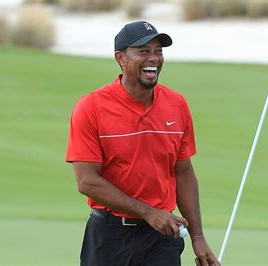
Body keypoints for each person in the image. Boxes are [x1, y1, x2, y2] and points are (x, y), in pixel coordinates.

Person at [66, 21, 220, 266]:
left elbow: (183, 173)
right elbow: (87, 181)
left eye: (158, 51)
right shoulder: (91, 107)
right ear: (121, 58)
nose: (154, 58)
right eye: (143, 51)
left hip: (161, 238)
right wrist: (148, 212)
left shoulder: (176, 104)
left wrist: (198, 236)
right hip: (109, 236)